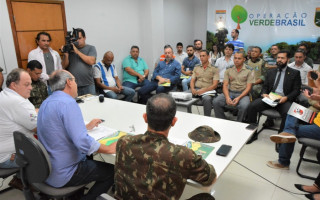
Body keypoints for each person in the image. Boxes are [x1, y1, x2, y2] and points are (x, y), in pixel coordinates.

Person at [114, 93, 217, 199]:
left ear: (145, 117)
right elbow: (211, 178)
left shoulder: (124, 141)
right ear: (174, 121)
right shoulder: (183, 155)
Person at [37, 70, 116, 200]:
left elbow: (56, 130)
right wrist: (108, 148)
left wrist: (84, 128)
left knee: (91, 159)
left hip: (49, 169)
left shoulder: (46, 102)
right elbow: (82, 142)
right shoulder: (68, 103)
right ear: (69, 82)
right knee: (111, 171)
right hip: (65, 172)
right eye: (75, 80)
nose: (76, 84)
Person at [246, 50, 301, 143]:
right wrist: (264, 94)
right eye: (278, 58)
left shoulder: (294, 73)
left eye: (282, 58)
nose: (279, 60)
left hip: (284, 99)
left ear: (287, 59)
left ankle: (281, 137)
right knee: (252, 106)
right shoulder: (271, 72)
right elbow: (265, 86)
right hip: (270, 98)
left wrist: (286, 98)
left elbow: (296, 90)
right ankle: (252, 133)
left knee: (288, 113)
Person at [0, 68, 37, 169]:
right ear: (14, 85)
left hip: (3, 152)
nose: (31, 88)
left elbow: (30, 114)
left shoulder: (5, 94)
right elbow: (38, 127)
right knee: (55, 154)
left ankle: (20, 179)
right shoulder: (18, 102)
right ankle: (33, 182)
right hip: (8, 157)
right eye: (26, 84)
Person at [212, 52, 254, 122]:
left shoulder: (249, 70)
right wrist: (227, 97)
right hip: (230, 92)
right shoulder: (229, 69)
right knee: (216, 102)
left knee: (244, 106)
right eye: (235, 58)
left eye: (239, 58)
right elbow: (225, 85)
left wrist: (239, 98)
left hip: (243, 94)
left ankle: (239, 123)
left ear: (244, 59)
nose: (236, 60)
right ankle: (222, 121)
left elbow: (249, 87)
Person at [62, 28, 97, 96]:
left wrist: (77, 51)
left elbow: (92, 61)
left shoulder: (91, 48)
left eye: (79, 38)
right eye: (75, 39)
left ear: (84, 38)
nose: (77, 41)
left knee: (92, 105)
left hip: (88, 84)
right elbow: (64, 66)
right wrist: (66, 55)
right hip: (73, 85)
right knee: (76, 105)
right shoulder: (69, 48)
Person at [190, 50, 219, 116]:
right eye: (200, 56)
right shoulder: (196, 67)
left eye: (203, 56)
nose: (201, 58)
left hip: (208, 90)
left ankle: (206, 118)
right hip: (196, 89)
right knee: (183, 95)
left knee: (207, 99)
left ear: (208, 56)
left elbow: (215, 85)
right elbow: (192, 80)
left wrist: (204, 90)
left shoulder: (214, 69)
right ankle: (187, 115)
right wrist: (192, 89)